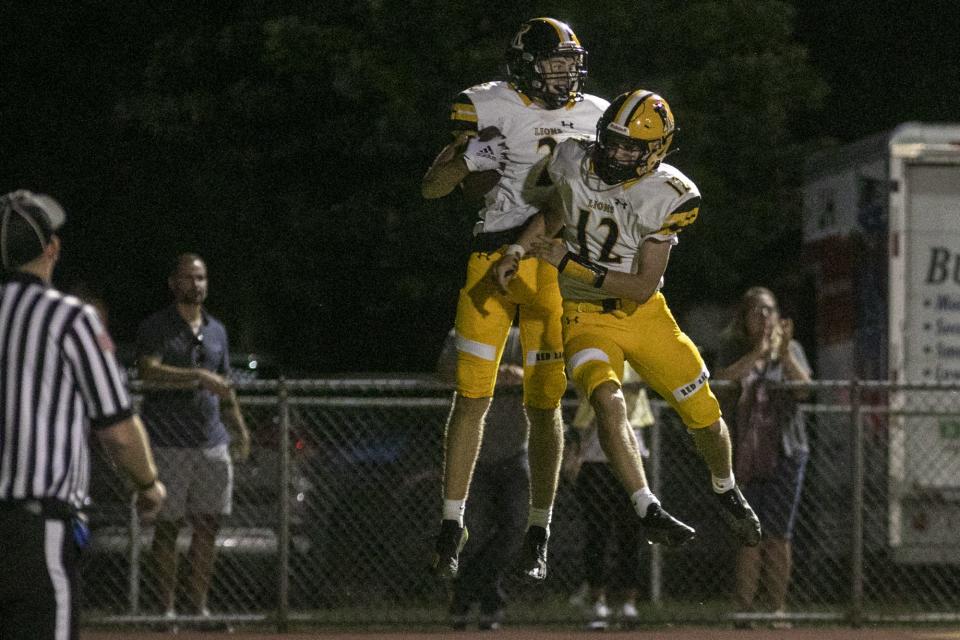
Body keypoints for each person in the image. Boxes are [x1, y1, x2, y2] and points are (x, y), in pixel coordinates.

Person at [493, 89, 762, 549]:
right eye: (611, 140)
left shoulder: (669, 195)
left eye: (630, 147)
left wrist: (568, 265)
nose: (616, 153)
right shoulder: (573, 160)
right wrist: (519, 247)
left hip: (644, 316)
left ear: (655, 151)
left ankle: (726, 488)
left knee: (706, 419)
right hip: (583, 316)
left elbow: (640, 286)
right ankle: (646, 506)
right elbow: (560, 209)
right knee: (607, 402)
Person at [421, 17, 609, 581]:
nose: (565, 73)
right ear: (527, 65)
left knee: (546, 403)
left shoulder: (598, 115)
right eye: (555, 62)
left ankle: (539, 525)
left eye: (570, 63)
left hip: (553, 264)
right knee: (471, 393)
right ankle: (452, 521)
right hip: (492, 256)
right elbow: (432, 187)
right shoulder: (491, 107)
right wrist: (466, 155)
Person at [0, 189, 166, 640]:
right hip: (34, 530)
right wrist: (148, 484)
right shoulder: (68, 318)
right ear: (51, 249)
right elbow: (117, 430)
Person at [136, 253, 250, 620]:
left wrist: (240, 430)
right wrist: (198, 376)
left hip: (211, 442)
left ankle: (198, 608)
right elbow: (149, 371)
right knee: (168, 527)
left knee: (207, 527)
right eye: (188, 278)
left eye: (201, 278)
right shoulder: (157, 327)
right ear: (173, 283)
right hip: (169, 442)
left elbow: (225, 387)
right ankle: (166, 610)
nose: (195, 285)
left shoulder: (217, 330)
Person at [714, 286, 812, 625]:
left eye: (770, 310)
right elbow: (721, 384)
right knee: (749, 534)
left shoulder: (791, 348)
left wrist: (783, 355)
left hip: (786, 451)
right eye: (756, 311)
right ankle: (744, 609)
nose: (764, 317)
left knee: (778, 534)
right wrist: (757, 352)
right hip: (746, 453)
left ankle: (776, 608)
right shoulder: (734, 349)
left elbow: (804, 390)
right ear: (744, 318)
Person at [437, 326, 528, 631]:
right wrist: (491, 371)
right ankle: (489, 603)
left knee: (515, 529)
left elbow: (554, 373)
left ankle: (463, 594)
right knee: (472, 531)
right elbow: (446, 372)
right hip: (472, 452)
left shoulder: (523, 336)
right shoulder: (462, 333)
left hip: (516, 449)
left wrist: (521, 375)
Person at [564, 365, 652, 630]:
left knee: (631, 530)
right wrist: (576, 451)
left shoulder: (633, 354)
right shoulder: (588, 354)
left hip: (631, 449)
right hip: (594, 452)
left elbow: (648, 378)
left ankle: (628, 603)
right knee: (597, 530)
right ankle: (597, 601)